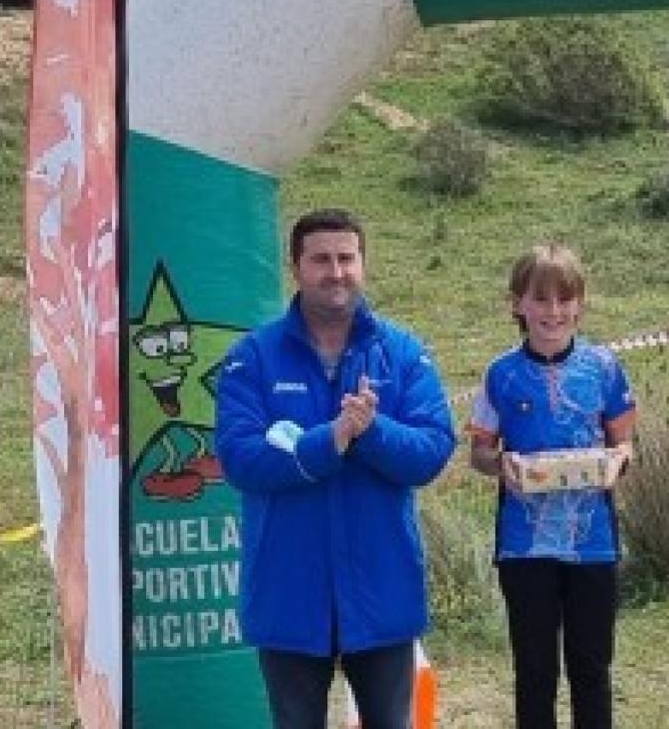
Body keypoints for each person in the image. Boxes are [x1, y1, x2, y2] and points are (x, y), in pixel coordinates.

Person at [214, 208, 456, 729]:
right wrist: (332, 439)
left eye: (347, 258)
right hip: (289, 597)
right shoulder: (251, 358)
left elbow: (433, 450)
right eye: (321, 259)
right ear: (296, 267)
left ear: (363, 264)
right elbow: (239, 458)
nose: (336, 271)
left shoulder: (404, 353)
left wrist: (370, 431)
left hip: (382, 592)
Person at [466, 244, 637, 729]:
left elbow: (625, 444)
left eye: (565, 300)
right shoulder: (500, 374)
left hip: (594, 545)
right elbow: (478, 453)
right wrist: (503, 465)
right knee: (535, 673)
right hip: (525, 547)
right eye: (541, 300)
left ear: (580, 304)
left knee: (592, 670)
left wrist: (615, 463)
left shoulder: (604, 367)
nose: (553, 312)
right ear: (518, 304)